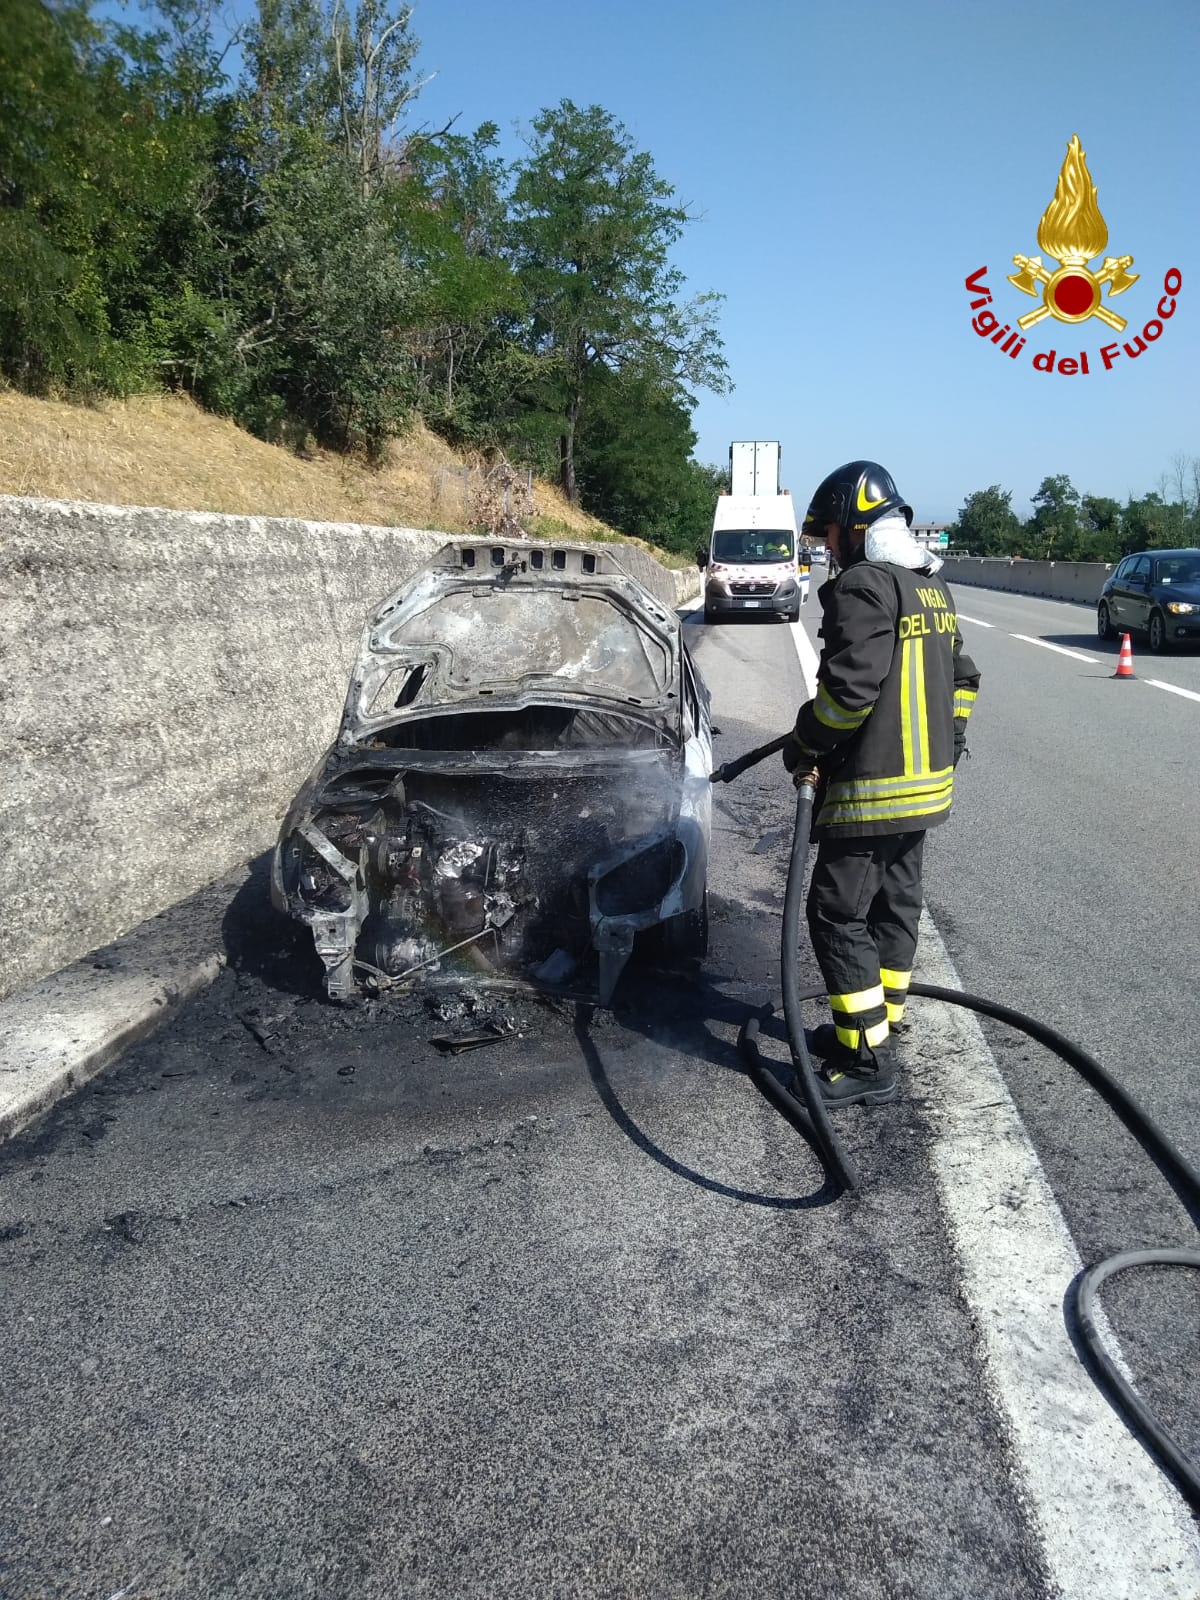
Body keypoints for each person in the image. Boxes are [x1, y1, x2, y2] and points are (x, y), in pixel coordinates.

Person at [782, 461, 981, 1108]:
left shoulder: (862, 587)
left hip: (874, 789)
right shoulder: (929, 588)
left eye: (831, 535)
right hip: (927, 790)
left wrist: (807, 742)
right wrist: (948, 749)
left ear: (855, 525)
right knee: (895, 906)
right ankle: (881, 1020)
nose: (828, 548)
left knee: (836, 913)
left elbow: (848, 694)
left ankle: (863, 1057)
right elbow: (966, 680)